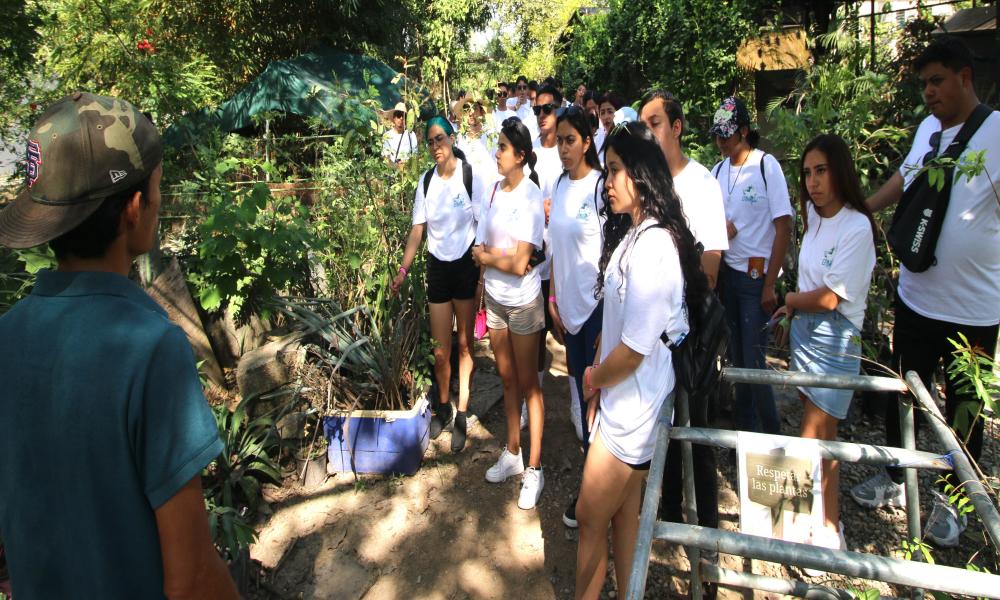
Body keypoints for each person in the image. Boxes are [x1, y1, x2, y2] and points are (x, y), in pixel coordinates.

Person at [0, 92, 240, 598]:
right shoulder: (152, 349)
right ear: (135, 207)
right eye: (156, 187)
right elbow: (192, 577)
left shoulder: (9, 335)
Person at [850, 37, 1000, 548]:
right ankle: (897, 477)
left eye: (937, 81)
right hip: (916, 298)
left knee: (963, 408)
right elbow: (903, 179)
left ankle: (957, 503)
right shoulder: (927, 133)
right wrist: (862, 207)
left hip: (975, 309)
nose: (929, 93)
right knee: (906, 395)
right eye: (924, 85)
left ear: (964, 77)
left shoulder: (997, 133)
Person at [576, 122, 708, 600]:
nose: (606, 183)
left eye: (614, 171)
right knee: (622, 515)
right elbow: (615, 326)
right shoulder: (635, 233)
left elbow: (632, 351)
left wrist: (592, 379)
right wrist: (598, 384)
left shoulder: (654, 246)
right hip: (619, 398)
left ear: (641, 174)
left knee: (591, 516)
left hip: (634, 408)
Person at [772, 133, 876, 552]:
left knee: (817, 431)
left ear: (840, 172)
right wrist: (794, 309)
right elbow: (811, 281)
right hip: (805, 332)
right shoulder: (814, 218)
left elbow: (832, 295)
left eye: (822, 171)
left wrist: (789, 300)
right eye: (807, 173)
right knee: (818, 428)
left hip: (835, 336)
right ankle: (818, 516)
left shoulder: (857, 225)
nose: (813, 182)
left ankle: (827, 528)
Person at [640, 90, 729, 558]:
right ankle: (668, 516)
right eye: (644, 125)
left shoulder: (701, 184)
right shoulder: (646, 184)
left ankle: (710, 535)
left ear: (677, 127)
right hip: (652, 330)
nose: (650, 132)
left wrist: (679, 279)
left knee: (698, 430)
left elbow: (711, 261)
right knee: (663, 427)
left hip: (692, 328)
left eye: (655, 123)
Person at [392, 116, 485, 453]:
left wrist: (482, 277)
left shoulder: (469, 175)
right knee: (440, 349)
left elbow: (482, 224)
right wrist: (403, 271)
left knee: (464, 345)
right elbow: (418, 229)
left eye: (439, 139)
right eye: (430, 141)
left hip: (465, 265)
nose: (435, 147)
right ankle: (443, 404)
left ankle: (462, 410)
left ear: (452, 138)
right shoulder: (426, 181)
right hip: (437, 266)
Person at [472, 117, 547, 510]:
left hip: (522, 302)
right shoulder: (492, 192)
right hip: (496, 301)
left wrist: (489, 257)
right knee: (506, 380)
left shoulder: (531, 197)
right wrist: (492, 256)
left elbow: (522, 263)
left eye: (502, 147)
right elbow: (487, 246)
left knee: (529, 384)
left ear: (520, 156)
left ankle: (535, 467)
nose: (496, 153)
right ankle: (513, 453)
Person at [710, 96, 793, 435]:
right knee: (737, 360)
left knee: (755, 362)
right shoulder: (717, 171)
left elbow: (784, 225)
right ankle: (746, 436)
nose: (721, 142)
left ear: (744, 131)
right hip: (727, 276)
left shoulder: (765, 166)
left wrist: (770, 284)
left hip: (756, 277)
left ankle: (772, 440)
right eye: (717, 135)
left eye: (727, 135)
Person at [546, 105, 606, 529]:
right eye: (560, 140)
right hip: (568, 311)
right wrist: (553, 293)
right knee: (582, 395)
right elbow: (554, 248)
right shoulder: (558, 184)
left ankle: (595, 493)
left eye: (572, 140)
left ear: (588, 141)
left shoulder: (603, 188)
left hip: (599, 311)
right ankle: (594, 485)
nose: (564, 149)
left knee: (597, 402)